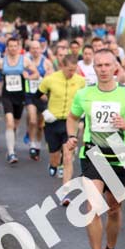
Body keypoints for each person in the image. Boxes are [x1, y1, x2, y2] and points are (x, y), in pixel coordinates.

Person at [65, 49, 125, 249]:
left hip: (119, 154)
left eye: (107, 65)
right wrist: (72, 137)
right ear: (94, 68)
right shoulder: (85, 95)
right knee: (92, 206)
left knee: (113, 208)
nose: (103, 69)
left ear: (115, 68)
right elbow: (72, 117)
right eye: (99, 65)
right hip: (93, 153)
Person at [38, 54, 86, 201]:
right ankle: (53, 164)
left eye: (74, 70)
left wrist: (82, 115)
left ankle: (65, 193)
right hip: (53, 122)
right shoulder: (50, 79)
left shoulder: (81, 81)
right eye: (69, 70)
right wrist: (44, 111)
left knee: (68, 156)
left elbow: (84, 99)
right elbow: (35, 96)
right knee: (54, 155)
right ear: (62, 66)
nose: (72, 73)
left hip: (70, 123)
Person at [0, 38, 27, 164]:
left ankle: (11, 147)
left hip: (20, 96)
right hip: (7, 95)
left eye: (15, 46)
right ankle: (11, 152)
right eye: (10, 46)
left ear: (18, 47)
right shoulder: (1, 62)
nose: (12, 48)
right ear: (7, 48)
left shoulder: (24, 60)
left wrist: (29, 76)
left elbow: (35, 73)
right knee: (10, 122)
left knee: (15, 125)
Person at [24, 40, 53, 161]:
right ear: (30, 50)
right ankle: (31, 144)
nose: (35, 50)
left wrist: (45, 92)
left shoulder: (46, 63)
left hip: (41, 96)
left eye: (37, 48)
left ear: (41, 49)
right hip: (30, 94)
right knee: (32, 120)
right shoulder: (26, 61)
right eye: (33, 48)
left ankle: (38, 145)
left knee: (41, 125)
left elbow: (50, 80)